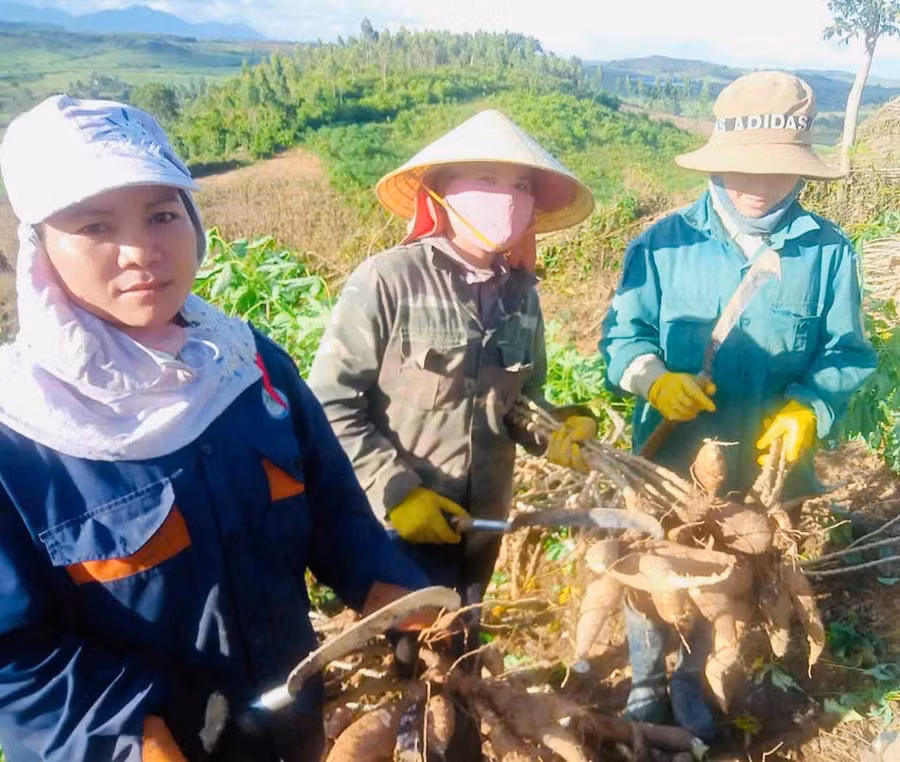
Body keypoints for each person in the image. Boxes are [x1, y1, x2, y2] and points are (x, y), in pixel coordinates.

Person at [0, 94, 432, 762]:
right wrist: (128, 738)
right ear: (40, 249)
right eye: (94, 226)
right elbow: (13, 657)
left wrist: (389, 587)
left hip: (289, 723)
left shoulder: (246, 364)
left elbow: (333, 508)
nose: (142, 250)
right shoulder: (20, 436)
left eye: (162, 214)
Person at [600, 71, 876, 740]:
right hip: (667, 462)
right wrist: (651, 378)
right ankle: (644, 682)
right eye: (743, 168)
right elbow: (621, 339)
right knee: (650, 565)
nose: (758, 185)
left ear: (801, 169)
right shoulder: (662, 245)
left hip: (764, 469)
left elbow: (845, 354)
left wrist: (809, 408)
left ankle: (692, 680)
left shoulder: (828, 252)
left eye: (778, 172)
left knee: (729, 579)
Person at [308, 109, 597, 613]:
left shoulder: (522, 296)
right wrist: (396, 492)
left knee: (462, 641)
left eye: (522, 185)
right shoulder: (388, 280)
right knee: (406, 661)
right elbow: (330, 405)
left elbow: (520, 404)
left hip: (482, 525)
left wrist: (558, 429)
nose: (509, 199)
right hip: (394, 526)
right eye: (487, 180)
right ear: (441, 191)